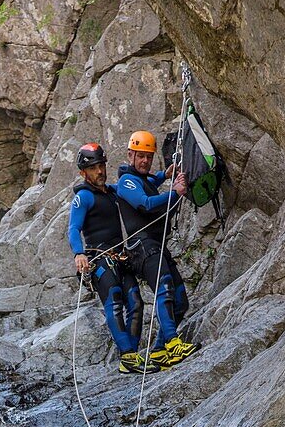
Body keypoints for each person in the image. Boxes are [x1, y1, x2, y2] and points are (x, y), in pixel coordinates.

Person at [68, 143, 156, 375]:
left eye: (101, 166)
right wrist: (79, 253)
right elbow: (73, 228)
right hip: (98, 258)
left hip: (120, 255)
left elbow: (137, 188)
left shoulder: (113, 192)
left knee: (136, 302)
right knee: (115, 303)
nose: (100, 171)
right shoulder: (83, 197)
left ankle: (132, 357)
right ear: (83, 173)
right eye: (94, 168)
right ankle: (127, 356)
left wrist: (161, 177)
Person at [116, 131, 198, 370]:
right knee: (164, 289)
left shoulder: (144, 181)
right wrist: (174, 191)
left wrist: (166, 176)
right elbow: (146, 203)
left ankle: (160, 351)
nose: (145, 161)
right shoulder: (126, 181)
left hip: (157, 244)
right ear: (130, 155)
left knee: (180, 300)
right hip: (142, 247)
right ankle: (173, 343)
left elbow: (151, 184)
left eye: (149, 157)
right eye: (140, 156)